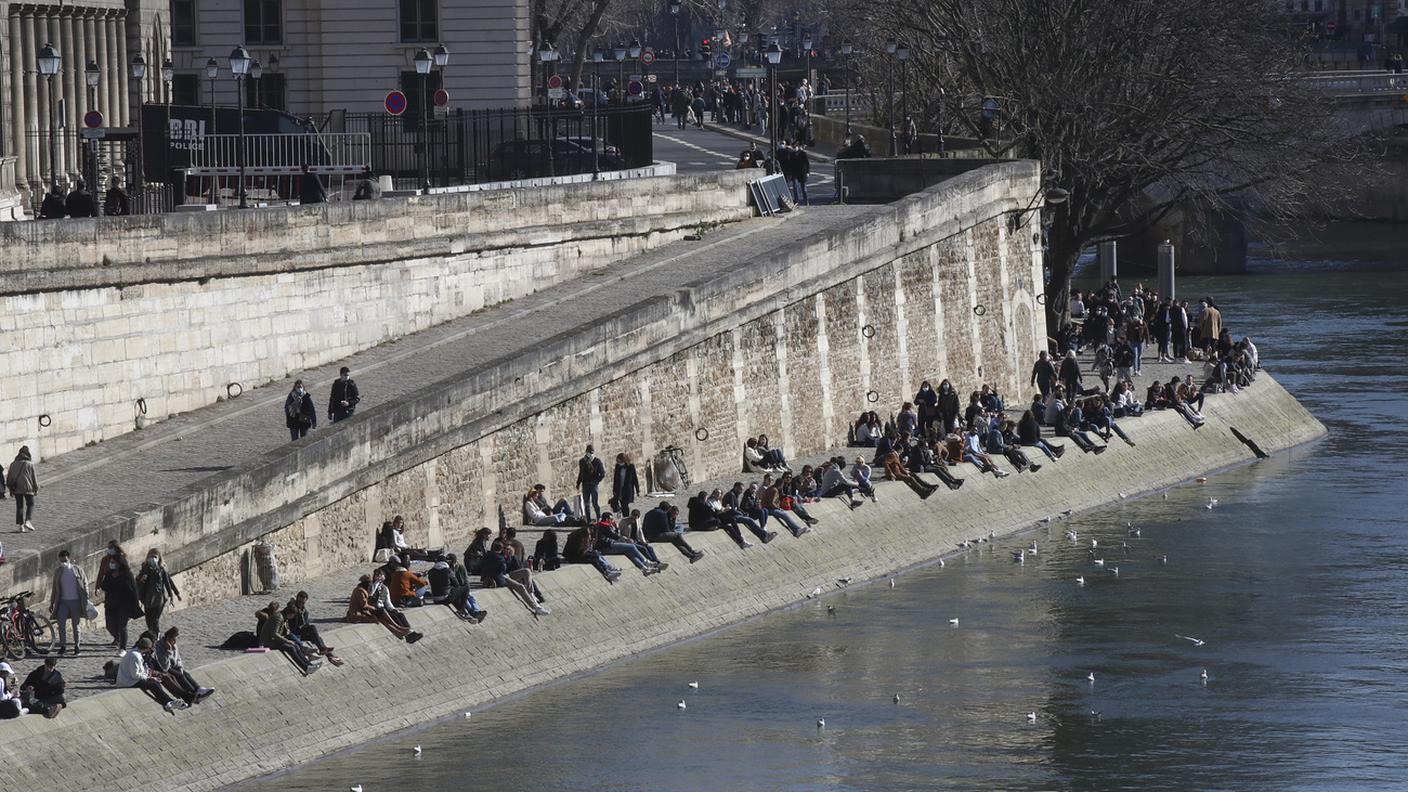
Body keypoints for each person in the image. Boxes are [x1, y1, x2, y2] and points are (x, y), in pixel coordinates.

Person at [116, 637, 187, 712]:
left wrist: (150, 676)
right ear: (147, 648)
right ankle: (168, 702)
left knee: (156, 681)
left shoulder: (135, 653)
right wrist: (148, 677)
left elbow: (140, 671)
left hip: (131, 678)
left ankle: (167, 701)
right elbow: (135, 675)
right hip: (127, 681)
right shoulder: (135, 656)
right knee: (153, 685)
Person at [96, 541, 142, 652]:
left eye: (113, 562)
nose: (111, 564)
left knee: (122, 625)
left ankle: (122, 647)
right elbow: (104, 586)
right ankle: (118, 638)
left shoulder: (127, 575)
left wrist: (137, 603)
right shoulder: (109, 573)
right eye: (110, 562)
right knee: (110, 624)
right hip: (111, 603)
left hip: (124, 604)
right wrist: (110, 578)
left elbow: (133, 590)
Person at [151, 628, 215, 705]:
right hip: (165, 667)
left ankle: (198, 689)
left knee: (185, 673)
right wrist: (168, 651)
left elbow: (178, 658)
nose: (175, 641)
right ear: (168, 639)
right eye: (173, 639)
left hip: (174, 666)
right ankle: (194, 694)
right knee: (179, 675)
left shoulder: (173, 644)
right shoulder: (160, 646)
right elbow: (164, 665)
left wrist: (180, 667)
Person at [480, 545, 550, 615]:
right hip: (501, 577)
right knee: (521, 587)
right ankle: (535, 607)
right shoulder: (498, 557)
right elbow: (500, 569)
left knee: (527, 571)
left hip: (507, 575)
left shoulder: (511, 557)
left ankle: (532, 595)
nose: (505, 550)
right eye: (504, 548)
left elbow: (517, 568)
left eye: (507, 549)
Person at [258, 600, 324, 674]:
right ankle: (306, 668)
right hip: (267, 642)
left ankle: (309, 665)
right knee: (291, 648)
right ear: (290, 614)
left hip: (273, 640)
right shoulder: (278, 618)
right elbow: (274, 634)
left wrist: (286, 632)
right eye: (293, 615)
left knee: (296, 646)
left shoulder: (283, 617)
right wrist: (286, 641)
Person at [346, 573, 417, 640]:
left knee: (383, 615)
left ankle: (397, 629)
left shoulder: (366, 589)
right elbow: (364, 605)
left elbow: (385, 602)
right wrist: (374, 608)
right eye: (369, 583)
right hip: (357, 613)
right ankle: (397, 629)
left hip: (364, 611)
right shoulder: (360, 591)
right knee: (380, 614)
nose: (370, 584)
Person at [285, 591, 348, 660]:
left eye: (303, 603)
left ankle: (329, 655)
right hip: (295, 634)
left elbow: (305, 623)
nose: (301, 604)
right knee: (312, 628)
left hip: (301, 632)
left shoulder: (304, 611)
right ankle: (322, 649)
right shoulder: (292, 609)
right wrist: (296, 609)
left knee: (317, 637)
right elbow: (291, 616)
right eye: (299, 602)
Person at [48, 549, 89, 655]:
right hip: (63, 601)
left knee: (76, 625)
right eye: (61, 561)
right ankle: (63, 646)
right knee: (61, 624)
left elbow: (85, 584)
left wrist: (86, 599)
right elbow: (54, 589)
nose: (63, 563)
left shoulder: (77, 570)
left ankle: (77, 645)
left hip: (75, 601)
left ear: (69, 559)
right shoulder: (58, 572)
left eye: (65, 560)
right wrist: (52, 603)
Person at [135, 548, 182, 637]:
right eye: (150, 556)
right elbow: (137, 582)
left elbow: (168, 582)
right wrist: (141, 580)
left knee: (155, 619)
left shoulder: (162, 569)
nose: (152, 558)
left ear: (159, 558)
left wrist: (174, 594)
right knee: (148, 619)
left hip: (159, 598)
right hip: (147, 598)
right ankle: (152, 635)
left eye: (155, 557)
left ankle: (156, 636)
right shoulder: (145, 568)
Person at [6, 445, 38, 532]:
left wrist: (10, 489)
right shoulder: (30, 464)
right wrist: (36, 489)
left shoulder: (13, 464)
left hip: (16, 488)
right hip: (28, 488)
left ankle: (21, 526)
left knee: (19, 506)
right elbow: (34, 478)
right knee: (30, 504)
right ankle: (27, 520)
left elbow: (9, 478)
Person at [576, 444, 607, 521]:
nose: (590, 453)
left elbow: (602, 473)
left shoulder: (597, 461)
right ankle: (588, 519)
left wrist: (596, 481)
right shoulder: (582, 461)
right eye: (588, 451)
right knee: (586, 504)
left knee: (595, 503)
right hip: (585, 484)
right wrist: (578, 483)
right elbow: (581, 473)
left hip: (593, 485)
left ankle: (598, 517)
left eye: (591, 452)